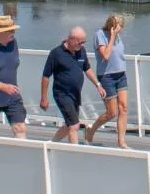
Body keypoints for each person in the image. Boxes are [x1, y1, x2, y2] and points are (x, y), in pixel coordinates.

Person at [40, 27, 105, 143]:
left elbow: (87, 69)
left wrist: (98, 85)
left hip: (75, 94)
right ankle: (74, 153)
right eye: (80, 42)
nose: (82, 45)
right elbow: (46, 76)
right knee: (74, 125)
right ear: (71, 39)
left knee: (69, 125)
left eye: (84, 42)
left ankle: (52, 143)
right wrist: (44, 98)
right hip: (62, 94)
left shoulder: (81, 51)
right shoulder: (56, 53)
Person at [85, 14, 129, 148]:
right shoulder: (100, 35)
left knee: (124, 108)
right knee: (112, 112)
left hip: (121, 74)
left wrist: (115, 36)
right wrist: (112, 37)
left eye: (121, 28)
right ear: (111, 26)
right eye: (118, 28)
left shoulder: (117, 36)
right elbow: (105, 56)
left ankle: (122, 142)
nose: (120, 30)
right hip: (106, 76)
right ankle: (91, 130)